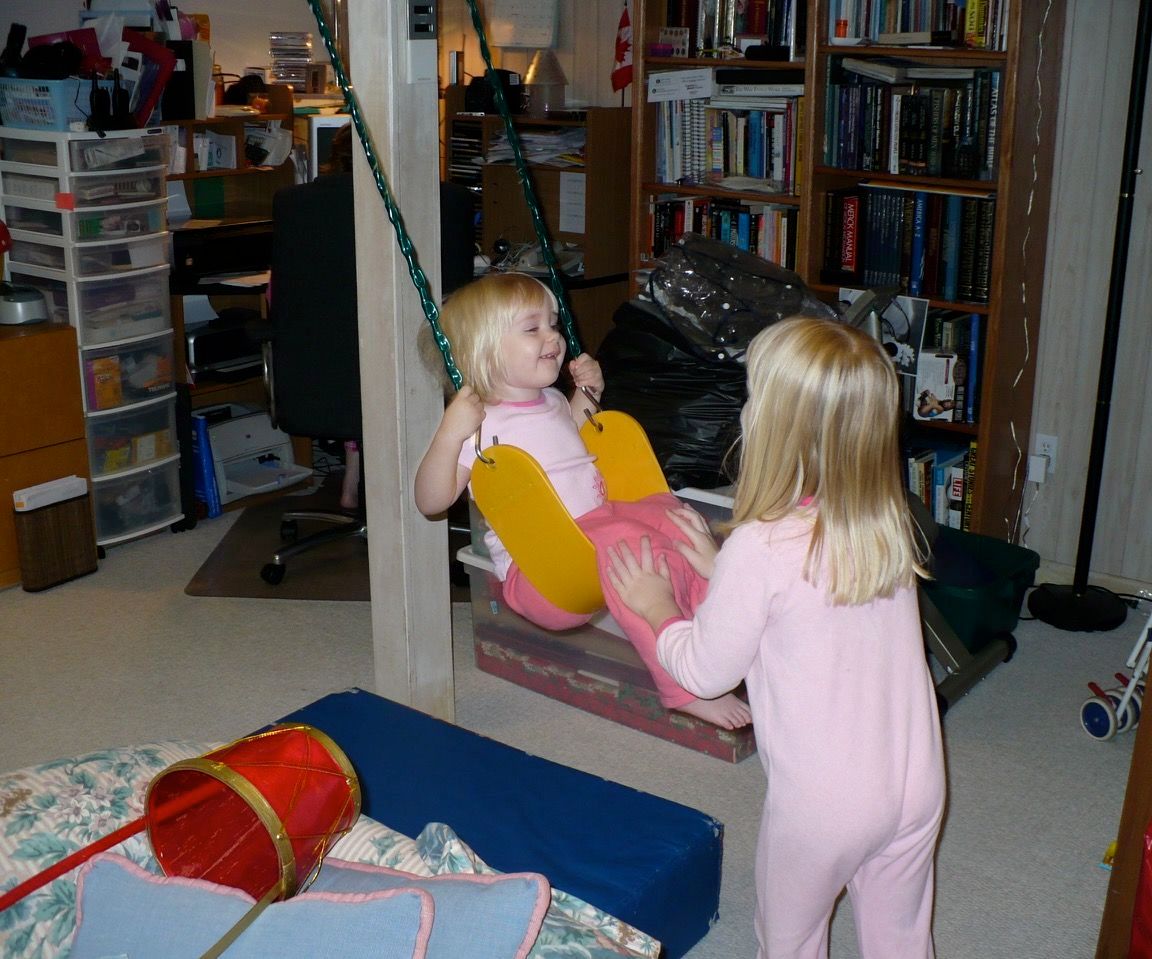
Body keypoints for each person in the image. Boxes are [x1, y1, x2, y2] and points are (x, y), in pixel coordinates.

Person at [605, 316, 946, 958]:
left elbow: (706, 674)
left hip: (825, 807)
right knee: (900, 936)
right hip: (917, 781)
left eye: (755, 395)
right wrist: (718, 568)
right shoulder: (885, 525)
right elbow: (816, 607)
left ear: (774, 427)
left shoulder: (761, 548)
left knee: (788, 939)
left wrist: (656, 609)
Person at [414, 271, 751, 730]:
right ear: (482, 350)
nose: (552, 335)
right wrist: (449, 434)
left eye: (553, 323)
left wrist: (587, 395)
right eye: (532, 328)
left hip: (595, 527)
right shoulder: (478, 425)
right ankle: (682, 685)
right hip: (543, 573)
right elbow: (431, 501)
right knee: (631, 544)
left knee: (672, 515)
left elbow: (573, 443)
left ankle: (716, 640)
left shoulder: (551, 400)